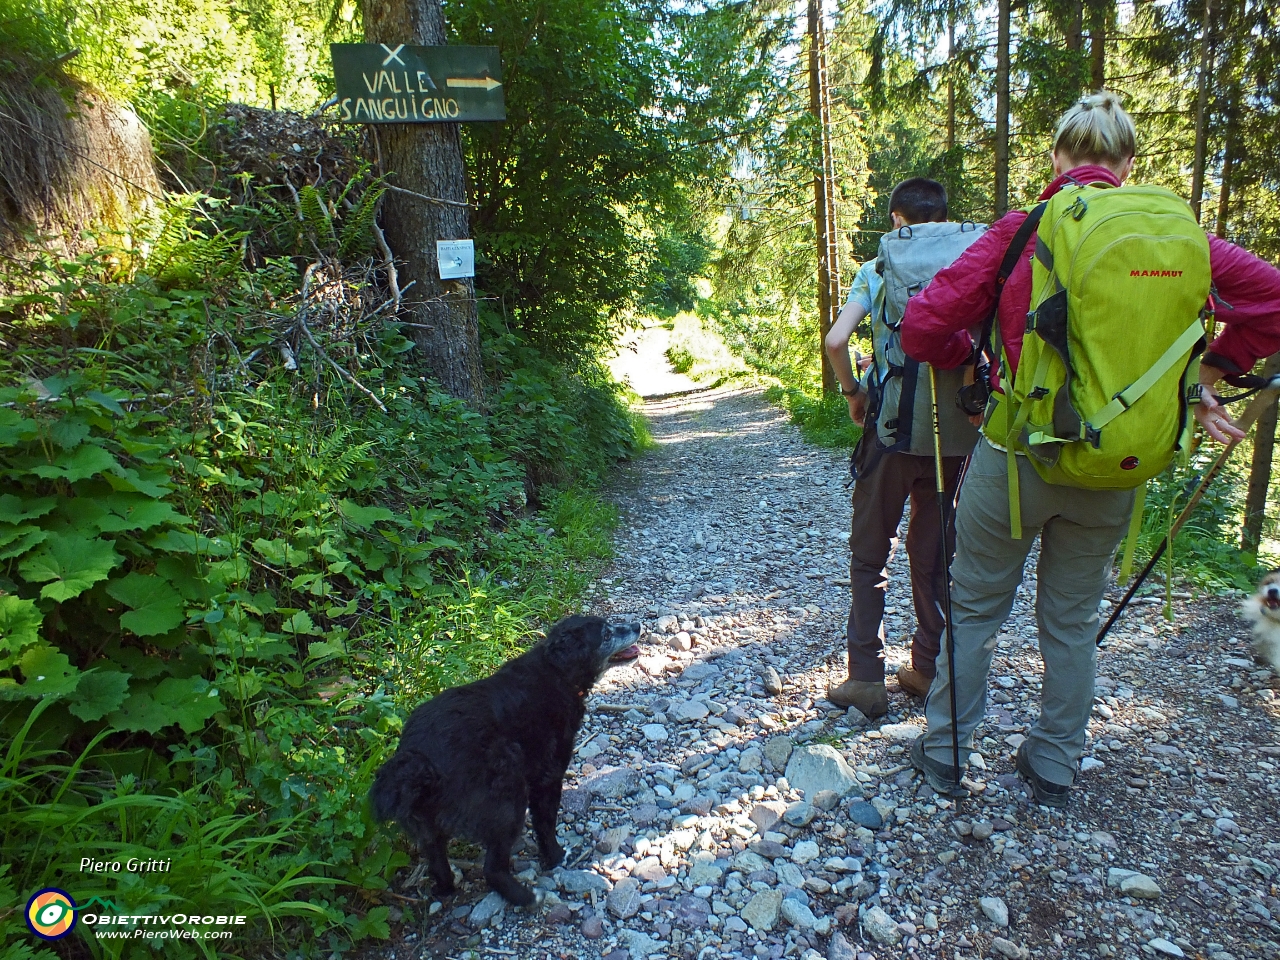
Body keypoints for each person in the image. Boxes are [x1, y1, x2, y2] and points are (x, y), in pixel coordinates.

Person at [900, 91, 1280, 805]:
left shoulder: (1024, 231)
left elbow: (923, 329)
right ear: (1129, 165)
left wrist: (977, 359)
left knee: (977, 608)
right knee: (1071, 621)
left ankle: (947, 750)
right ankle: (1054, 762)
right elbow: (1276, 303)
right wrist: (1212, 373)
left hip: (1016, 461)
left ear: (1057, 158)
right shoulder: (1185, 240)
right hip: (1118, 467)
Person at [824, 178, 977, 718]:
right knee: (935, 555)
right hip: (955, 439)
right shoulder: (972, 265)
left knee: (870, 555)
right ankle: (928, 668)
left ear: (896, 220)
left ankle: (866, 679)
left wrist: (852, 393)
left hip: (891, 433)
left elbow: (836, 341)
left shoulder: (878, 267)